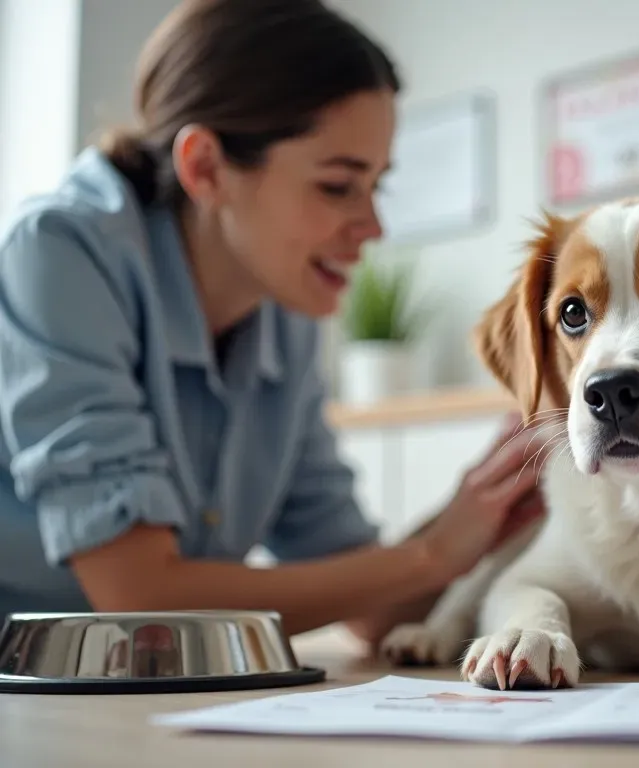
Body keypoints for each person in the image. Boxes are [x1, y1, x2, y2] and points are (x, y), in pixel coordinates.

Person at [0, 0, 547, 641]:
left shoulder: (283, 312)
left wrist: (487, 510)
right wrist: (429, 556)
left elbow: (369, 603)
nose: (374, 228)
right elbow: (139, 595)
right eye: (338, 185)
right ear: (205, 166)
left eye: (378, 187)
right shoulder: (60, 252)